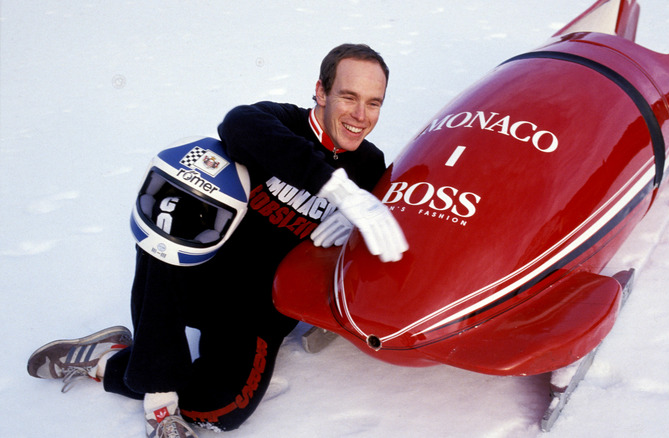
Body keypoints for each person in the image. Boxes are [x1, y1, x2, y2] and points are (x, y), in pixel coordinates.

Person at [27, 43, 408, 437]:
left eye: (374, 103)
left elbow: (381, 234)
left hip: (256, 308)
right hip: (200, 277)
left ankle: (108, 361)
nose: (360, 116)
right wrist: (336, 190)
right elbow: (238, 124)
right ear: (322, 92)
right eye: (348, 97)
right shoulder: (276, 121)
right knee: (169, 223)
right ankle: (160, 404)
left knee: (220, 408)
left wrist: (352, 231)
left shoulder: (369, 166)